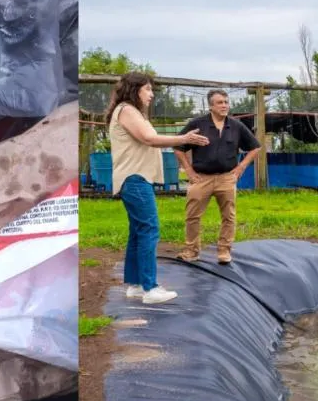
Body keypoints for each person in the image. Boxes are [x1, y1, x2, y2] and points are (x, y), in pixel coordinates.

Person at [106, 72, 209, 304]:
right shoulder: (127, 111)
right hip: (135, 179)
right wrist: (185, 139)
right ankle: (151, 289)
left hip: (134, 179)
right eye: (148, 89)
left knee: (138, 232)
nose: (151, 95)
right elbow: (150, 139)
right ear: (135, 90)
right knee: (149, 230)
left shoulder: (130, 112)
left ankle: (135, 285)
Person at [174, 89, 261, 265]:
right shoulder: (198, 125)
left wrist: (241, 167)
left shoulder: (236, 126)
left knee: (229, 216)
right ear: (211, 106)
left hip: (226, 178)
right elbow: (178, 145)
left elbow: (255, 147)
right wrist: (189, 171)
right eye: (220, 102)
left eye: (226, 102)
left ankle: (224, 251)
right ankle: (191, 251)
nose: (224, 105)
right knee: (193, 216)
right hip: (201, 178)